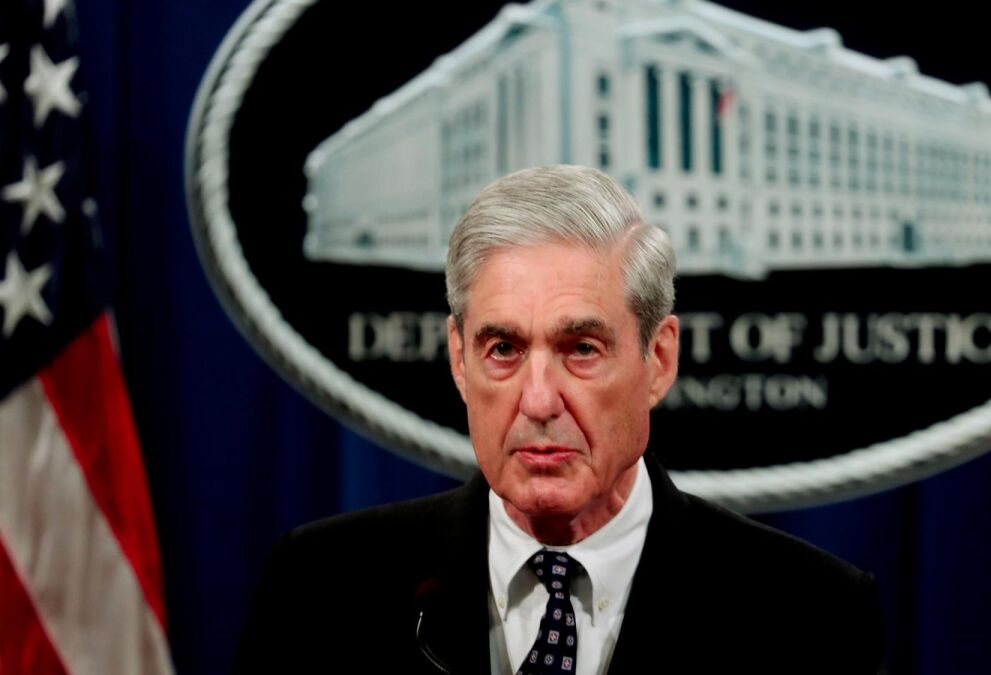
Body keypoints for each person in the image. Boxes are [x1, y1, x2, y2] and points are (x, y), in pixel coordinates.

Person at [233, 165, 884, 674]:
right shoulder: (319, 588)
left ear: (658, 359)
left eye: (581, 349)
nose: (539, 400)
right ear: (459, 359)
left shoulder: (811, 614)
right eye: (504, 348)